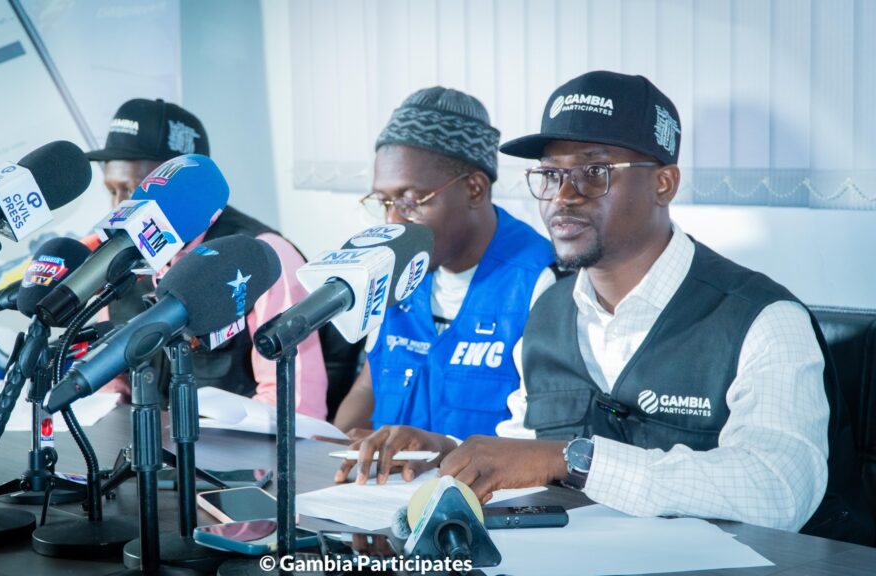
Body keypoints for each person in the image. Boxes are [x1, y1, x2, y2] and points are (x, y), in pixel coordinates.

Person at [337, 71, 874, 545]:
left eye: (594, 173)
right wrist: (450, 452)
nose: (563, 196)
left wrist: (573, 458)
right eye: (550, 175)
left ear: (663, 183)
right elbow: (526, 453)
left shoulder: (763, 320)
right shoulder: (548, 313)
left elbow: (778, 491)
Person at [83, 98, 331, 418]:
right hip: (141, 444)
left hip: (230, 448)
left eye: (133, 191)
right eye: (113, 191)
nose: (120, 208)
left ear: (185, 186)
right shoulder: (119, 257)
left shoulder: (262, 254)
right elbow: (111, 384)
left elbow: (296, 406)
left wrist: (192, 436)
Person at [333, 87, 554, 440]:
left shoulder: (540, 281)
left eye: (411, 201)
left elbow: (542, 438)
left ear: (474, 189)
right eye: (384, 201)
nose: (393, 222)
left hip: (479, 478)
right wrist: (328, 450)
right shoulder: (395, 269)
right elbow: (368, 387)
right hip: (381, 477)